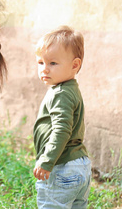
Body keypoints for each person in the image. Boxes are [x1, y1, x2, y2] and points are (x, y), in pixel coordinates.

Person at [33, 25, 92, 208]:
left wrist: (47, 160)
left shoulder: (60, 93)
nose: (45, 69)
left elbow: (62, 129)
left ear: (75, 65)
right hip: (79, 166)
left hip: (62, 168)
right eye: (40, 62)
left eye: (53, 63)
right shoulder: (70, 89)